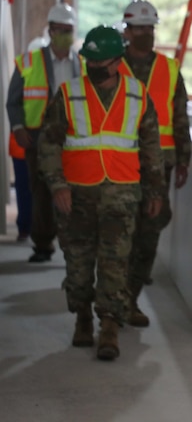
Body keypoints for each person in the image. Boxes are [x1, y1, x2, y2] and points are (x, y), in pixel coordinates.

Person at [37, 25, 165, 361]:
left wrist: (155, 192)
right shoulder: (68, 94)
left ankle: (109, 326)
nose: (94, 67)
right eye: (89, 61)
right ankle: (81, 317)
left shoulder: (137, 95)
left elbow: (152, 149)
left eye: (101, 62)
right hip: (75, 197)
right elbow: (48, 143)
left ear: (117, 61)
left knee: (115, 265)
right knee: (78, 265)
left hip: (121, 196)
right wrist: (57, 185)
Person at [117, 0, 192, 327]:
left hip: (159, 166)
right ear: (127, 31)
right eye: (139, 28)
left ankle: (129, 300)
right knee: (118, 235)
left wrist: (184, 158)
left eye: (150, 28)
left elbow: (180, 118)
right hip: (117, 164)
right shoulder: (108, 65)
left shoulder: (170, 69)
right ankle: (111, 300)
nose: (145, 33)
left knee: (148, 235)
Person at [5, 3, 86, 262]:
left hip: (74, 137)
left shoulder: (83, 65)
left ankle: (73, 243)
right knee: (40, 190)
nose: (65, 34)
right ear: (50, 31)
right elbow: (13, 100)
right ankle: (43, 243)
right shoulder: (29, 61)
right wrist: (18, 127)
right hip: (38, 135)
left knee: (75, 190)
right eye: (60, 29)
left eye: (69, 30)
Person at [9, 134, 31, 241]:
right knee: (24, 190)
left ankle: (46, 229)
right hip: (22, 145)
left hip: (47, 145)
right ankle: (25, 227)